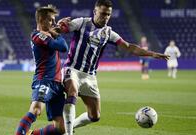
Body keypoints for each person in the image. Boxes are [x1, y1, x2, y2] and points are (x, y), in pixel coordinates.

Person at [57, 0, 169, 134]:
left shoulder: (108, 33)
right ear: (95, 12)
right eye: (103, 13)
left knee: (95, 116)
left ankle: (70, 126)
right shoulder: (81, 22)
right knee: (72, 93)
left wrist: (151, 54)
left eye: (108, 14)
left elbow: (129, 47)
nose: (105, 17)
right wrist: (59, 25)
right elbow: (61, 30)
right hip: (72, 69)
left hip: (90, 76)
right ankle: (68, 133)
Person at [15, 5, 68, 135]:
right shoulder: (37, 36)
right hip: (44, 80)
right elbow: (62, 47)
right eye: (50, 20)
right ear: (41, 19)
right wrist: (57, 34)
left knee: (61, 128)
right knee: (36, 109)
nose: (53, 23)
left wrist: (54, 32)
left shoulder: (48, 35)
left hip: (57, 84)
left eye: (54, 20)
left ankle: (31, 134)